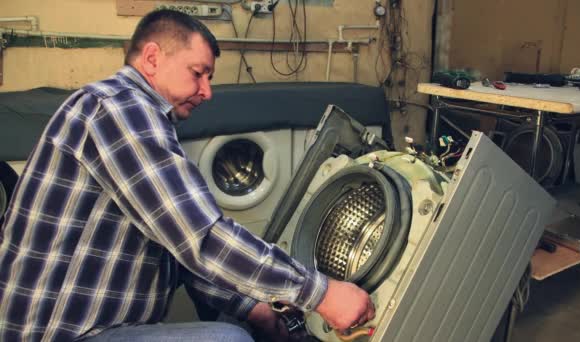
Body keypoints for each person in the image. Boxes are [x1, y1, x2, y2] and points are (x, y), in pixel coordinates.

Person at [0, 9, 375, 342]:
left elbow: (177, 255)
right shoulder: (116, 109)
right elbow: (202, 237)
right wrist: (321, 293)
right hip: (59, 333)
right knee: (226, 339)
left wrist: (257, 307)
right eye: (198, 74)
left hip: (97, 326)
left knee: (242, 317)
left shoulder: (143, 122)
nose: (207, 91)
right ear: (151, 58)